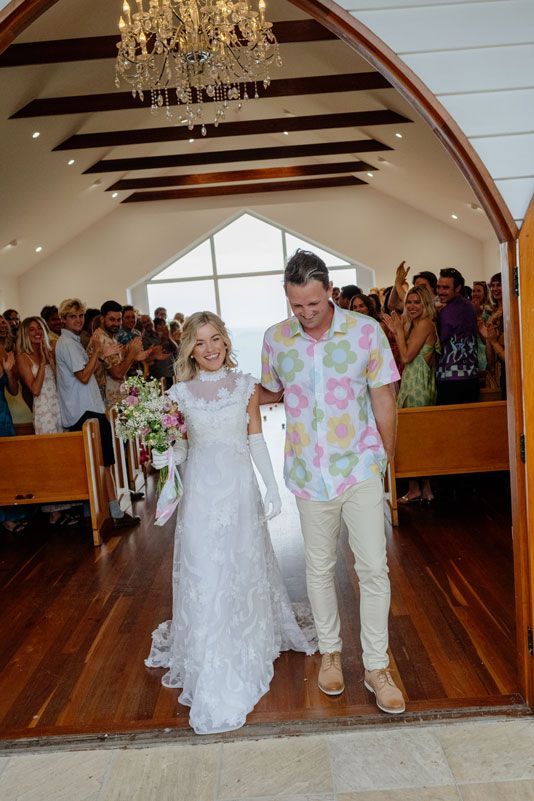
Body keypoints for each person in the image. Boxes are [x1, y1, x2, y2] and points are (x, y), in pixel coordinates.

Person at [147, 311, 315, 735]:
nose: (210, 349)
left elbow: (255, 437)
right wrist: (168, 459)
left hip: (239, 492)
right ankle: (208, 648)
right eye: (200, 342)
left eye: (216, 339)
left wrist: (272, 486)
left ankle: (245, 633)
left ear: (226, 341)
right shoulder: (179, 394)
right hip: (203, 495)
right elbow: (181, 447)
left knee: (239, 566)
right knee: (206, 570)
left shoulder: (245, 387)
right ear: (189, 348)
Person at [260, 249, 405, 715]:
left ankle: (378, 666)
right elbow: (268, 391)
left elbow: (384, 396)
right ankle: (331, 654)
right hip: (307, 471)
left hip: (359, 465)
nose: (305, 314)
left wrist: (385, 458)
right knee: (318, 570)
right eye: (296, 306)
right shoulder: (276, 340)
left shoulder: (366, 332)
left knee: (373, 570)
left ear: (330, 293)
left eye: (313, 305)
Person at [55, 298, 140, 530]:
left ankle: (110, 511)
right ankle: (113, 513)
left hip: (90, 406)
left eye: (81, 316)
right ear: (63, 319)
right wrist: (99, 354)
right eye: (73, 316)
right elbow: (83, 376)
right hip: (84, 410)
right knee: (103, 462)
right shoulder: (67, 343)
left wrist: (99, 354)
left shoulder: (73, 342)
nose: (78, 320)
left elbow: (88, 370)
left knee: (105, 460)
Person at [383, 286, 439, 502]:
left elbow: (406, 356)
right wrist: (398, 328)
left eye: (417, 302)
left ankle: (419, 488)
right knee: (415, 437)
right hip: (412, 383)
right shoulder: (415, 323)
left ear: (425, 304)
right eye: (409, 302)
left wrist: (397, 331)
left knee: (416, 436)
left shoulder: (425, 324)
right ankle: (423, 489)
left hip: (419, 387)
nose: (412, 306)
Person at [436, 267, 479, 404]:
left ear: (458, 288)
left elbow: (438, 342)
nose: (441, 292)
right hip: (471, 374)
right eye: (439, 287)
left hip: (452, 378)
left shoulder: (449, 311)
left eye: (446, 288)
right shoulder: (467, 305)